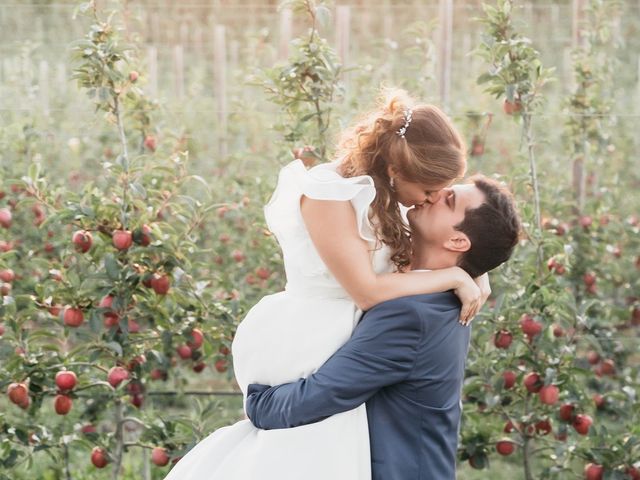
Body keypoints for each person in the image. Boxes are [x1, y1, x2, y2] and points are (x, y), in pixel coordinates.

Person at [163, 88, 489, 480]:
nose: (433, 199)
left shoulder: (400, 186)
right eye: (428, 191)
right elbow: (366, 292)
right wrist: (454, 275)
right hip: (314, 334)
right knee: (310, 451)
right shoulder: (327, 195)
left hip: (357, 334)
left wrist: (476, 267)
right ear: (396, 170)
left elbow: (456, 230)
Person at [246, 176, 521, 480]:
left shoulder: (412, 314)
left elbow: (318, 396)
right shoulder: (433, 294)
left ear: (457, 241)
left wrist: (258, 404)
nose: (435, 193)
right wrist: (471, 273)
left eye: (450, 199)